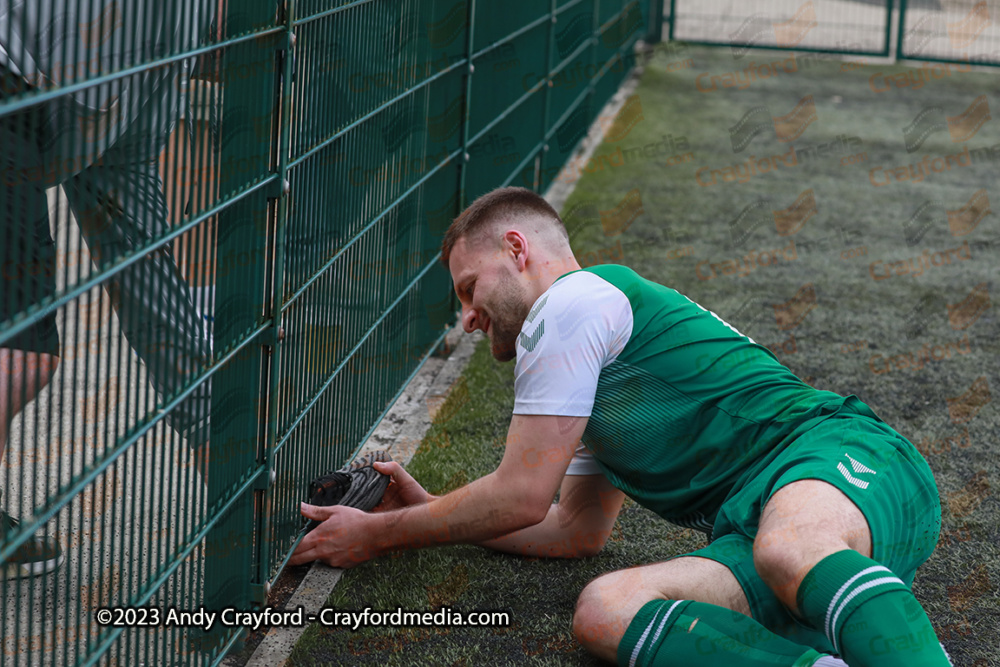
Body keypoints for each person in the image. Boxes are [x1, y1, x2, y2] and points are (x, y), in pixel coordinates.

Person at [291, 186, 951, 666]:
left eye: (468, 288)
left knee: (788, 548)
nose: (467, 316)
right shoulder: (591, 355)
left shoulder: (570, 305)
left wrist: (380, 533)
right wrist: (437, 512)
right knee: (607, 607)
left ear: (516, 249)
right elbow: (574, 529)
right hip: (762, 527)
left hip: (842, 458)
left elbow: (519, 493)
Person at [1, 0, 214, 578]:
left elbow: (147, 281)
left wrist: (234, 483)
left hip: (32, 102)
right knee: (20, 355)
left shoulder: (172, 50)